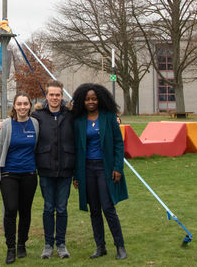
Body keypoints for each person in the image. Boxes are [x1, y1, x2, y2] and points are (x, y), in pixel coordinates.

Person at [72, 83, 128, 260]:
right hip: (86, 169)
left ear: (100, 99)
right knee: (94, 209)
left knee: (108, 207)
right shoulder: (78, 121)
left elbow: (119, 143)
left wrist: (118, 167)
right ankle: (100, 246)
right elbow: (75, 149)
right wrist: (76, 175)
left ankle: (120, 246)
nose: (90, 102)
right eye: (87, 99)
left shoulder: (109, 117)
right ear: (82, 100)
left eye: (94, 99)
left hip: (105, 168)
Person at [0, 93, 40, 264]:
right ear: (14, 106)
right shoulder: (5, 125)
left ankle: (22, 244)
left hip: (29, 174)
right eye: (19, 104)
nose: (22, 107)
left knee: (25, 211)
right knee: (11, 209)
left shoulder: (35, 124)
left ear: (30, 105)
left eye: (25, 104)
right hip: (8, 174)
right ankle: (10, 247)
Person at [32, 80, 75, 259]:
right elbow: (20, 120)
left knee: (62, 208)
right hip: (46, 168)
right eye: (51, 94)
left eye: (58, 95)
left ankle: (61, 244)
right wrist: (4, 124)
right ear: (47, 95)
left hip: (65, 169)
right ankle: (48, 244)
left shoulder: (71, 115)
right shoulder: (38, 115)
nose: (55, 98)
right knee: (48, 208)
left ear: (62, 96)